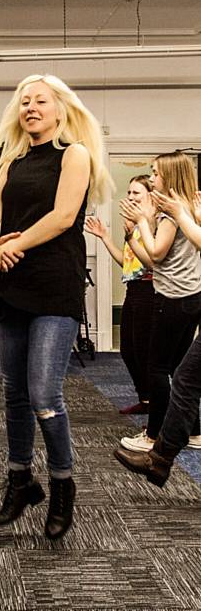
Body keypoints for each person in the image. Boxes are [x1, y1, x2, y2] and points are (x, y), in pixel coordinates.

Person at [0, 74, 112, 540]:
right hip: (14, 287)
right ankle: (20, 479)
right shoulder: (11, 163)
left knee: (43, 395)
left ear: (60, 109)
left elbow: (61, 218)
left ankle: (61, 484)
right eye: (24, 102)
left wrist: (7, 250)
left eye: (40, 101)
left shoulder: (74, 154)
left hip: (55, 285)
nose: (30, 107)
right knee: (13, 391)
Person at [114, 187, 201, 486]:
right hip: (180, 298)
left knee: (171, 372)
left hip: (174, 299)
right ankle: (161, 457)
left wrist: (182, 216)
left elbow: (154, 258)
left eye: (154, 177)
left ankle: (157, 448)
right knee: (184, 378)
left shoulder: (171, 217)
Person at [85, 175, 154, 415]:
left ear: (150, 195)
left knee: (146, 352)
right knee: (128, 349)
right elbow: (128, 265)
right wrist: (105, 237)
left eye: (137, 193)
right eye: (130, 192)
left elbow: (153, 263)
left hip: (150, 290)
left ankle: (157, 407)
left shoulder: (153, 222)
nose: (131, 197)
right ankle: (145, 400)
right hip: (133, 289)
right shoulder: (134, 224)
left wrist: (134, 231)